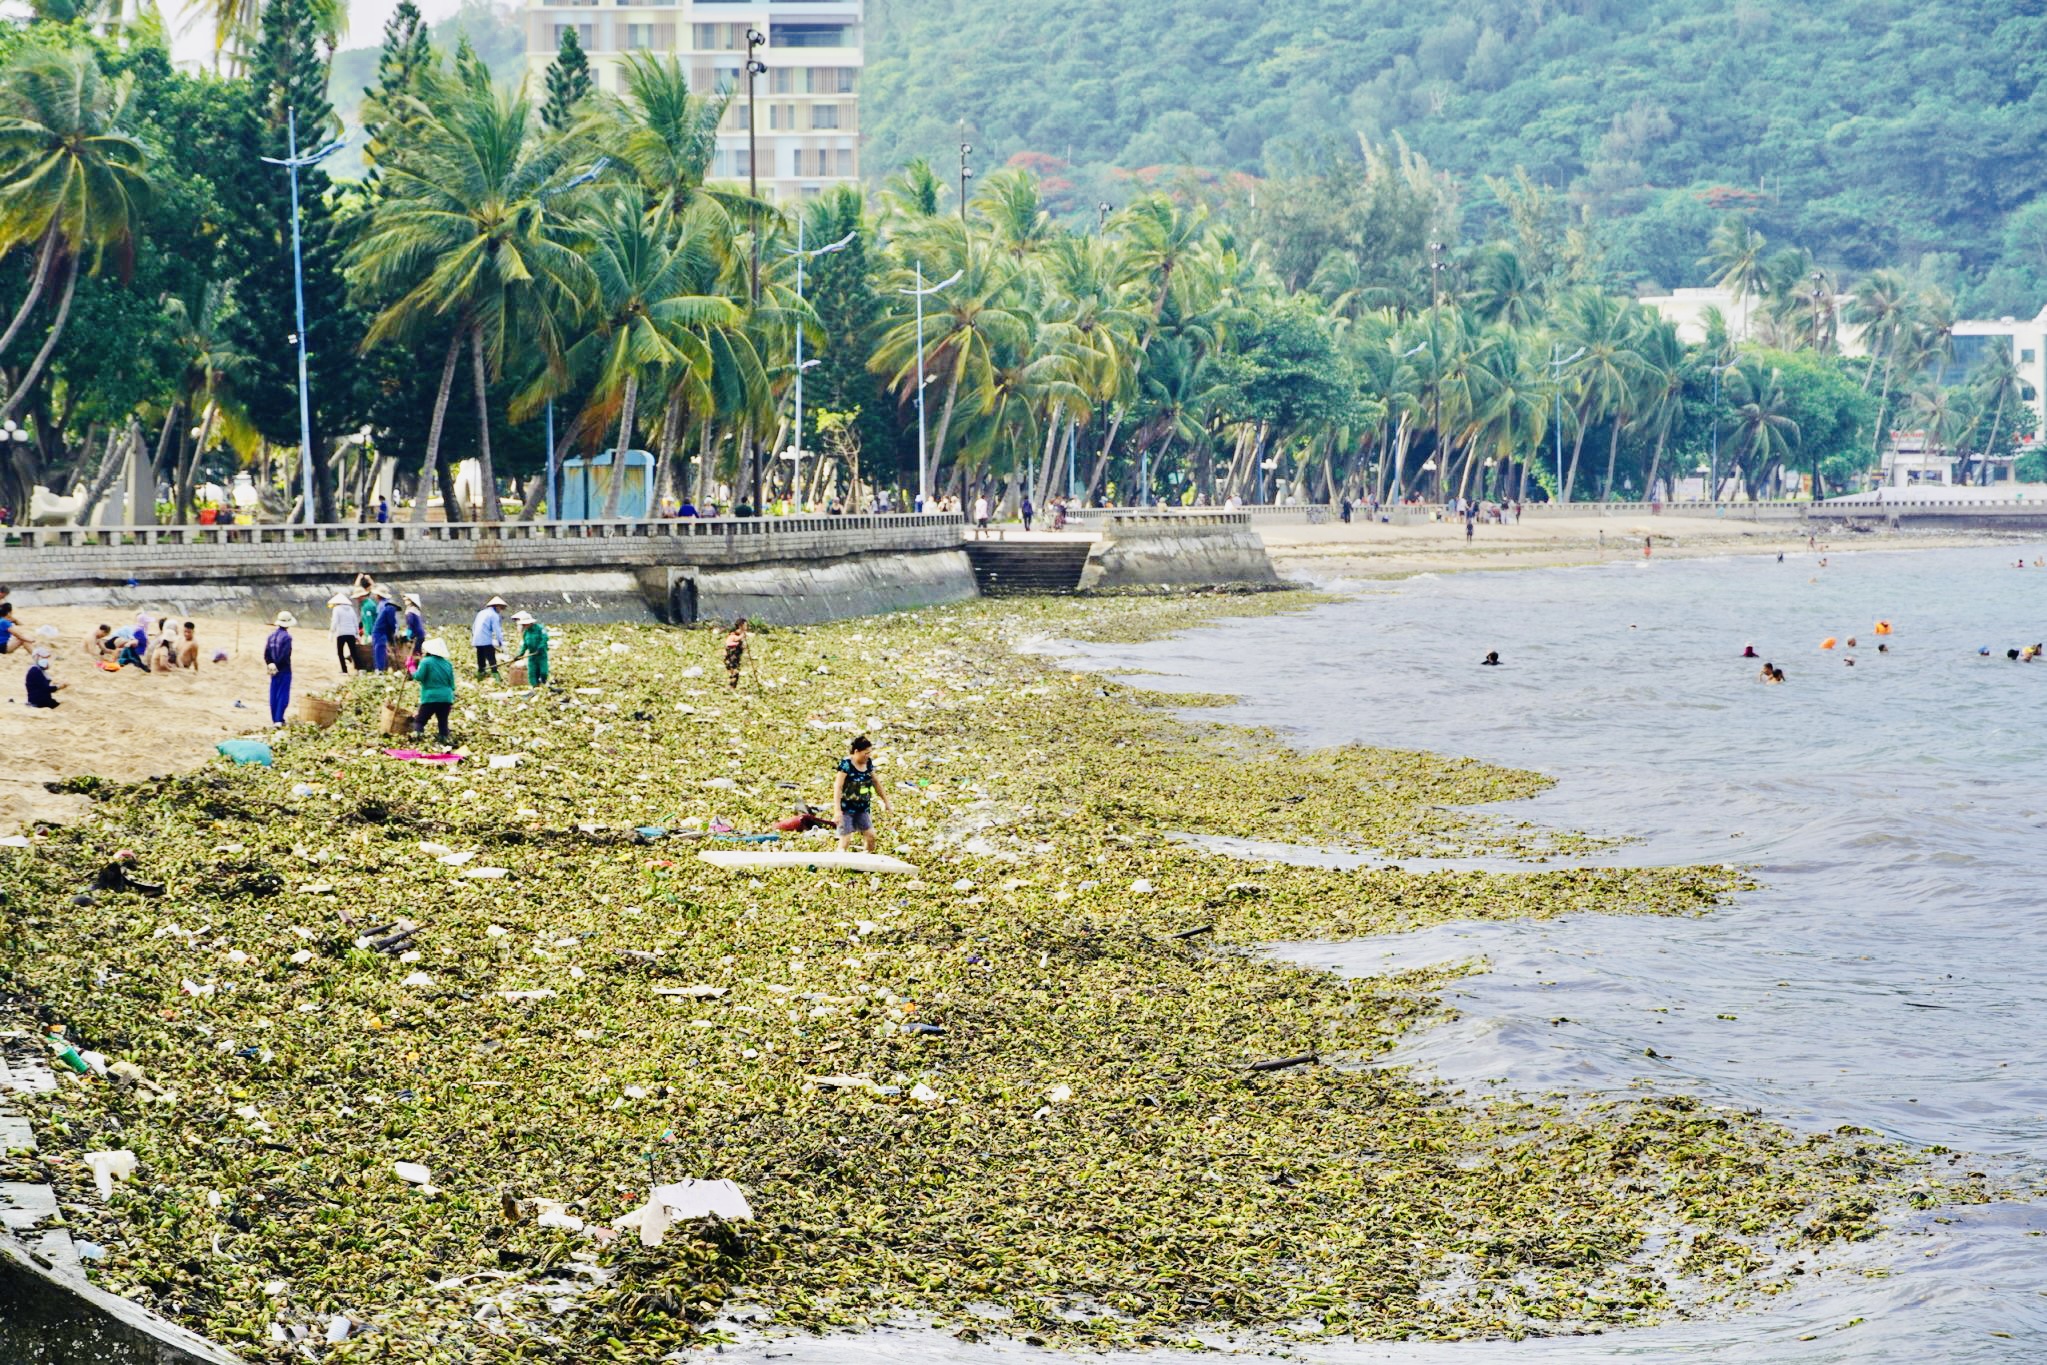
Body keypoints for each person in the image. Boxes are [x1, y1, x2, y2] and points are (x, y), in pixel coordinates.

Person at [832, 735, 891, 853]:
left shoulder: (868, 763)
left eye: (869, 753)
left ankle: (867, 858)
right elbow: (838, 787)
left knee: (871, 837)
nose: (868, 756)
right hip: (846, 808)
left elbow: (876, 782)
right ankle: (839, 863)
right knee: (845, 840)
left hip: (862, 808)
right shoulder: (846, 765)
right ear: (856, 751)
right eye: (865, 753)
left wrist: (886, 801)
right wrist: (837, 811)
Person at [411, 638, 457, 743]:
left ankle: (417, 739)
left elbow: (418, 676)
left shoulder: (426, 662)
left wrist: (411, 668)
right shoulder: (447, 664)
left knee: (420, 721)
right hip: (446, 698)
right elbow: (452, 685)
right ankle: (444, 740)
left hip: (430, 698)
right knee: (443, 722)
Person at [263, 611, 295, 726]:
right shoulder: (287, 637)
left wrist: (270, 663)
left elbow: (266, 653)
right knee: (283, 694)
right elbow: (285, 655)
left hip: (273, 669)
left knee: (273, 693)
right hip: (284, 669)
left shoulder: (271, 636)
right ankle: (279, 719)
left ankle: (274, 719)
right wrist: (277, 664)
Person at [508, 610, 549, 687]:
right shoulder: (526, 632)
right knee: (532, 673)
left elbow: (545, 638)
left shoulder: (540, 629)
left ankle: (543, 683)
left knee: (543, 671)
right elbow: (525, 645)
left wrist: (540, 647)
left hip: (541, 654)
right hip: (532, 655)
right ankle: (535, 687)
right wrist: (520, 654)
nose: (524, 625)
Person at [471, 594, 506, 677]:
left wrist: (474, 637)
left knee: (481, 660)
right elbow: (497, 630)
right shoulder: (494, 615)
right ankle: (496, 677)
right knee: (492, 661)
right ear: (497, 606)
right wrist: (500, 642)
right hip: (485, 640)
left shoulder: (481, 613)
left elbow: (474, 627)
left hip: (477, 640)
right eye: (500, 608)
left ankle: (480, 676)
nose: (500, 610)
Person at [327, 592, 359, 674]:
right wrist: (357, 633)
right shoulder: (351, 609)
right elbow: (355, 621)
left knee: (340, 652)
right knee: (353, 651)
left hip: (341, 633)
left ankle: (344, 670)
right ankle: (358, 668)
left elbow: (335, 621)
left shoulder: (337, 609)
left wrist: (331, 631)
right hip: (351, 633)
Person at [370, 586, 399, 672]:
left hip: (379, 631)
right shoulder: (387, 607)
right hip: (381, 631)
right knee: (380, 649)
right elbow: (391, 623)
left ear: (379, 596)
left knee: (378, 649)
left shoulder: (384, 606)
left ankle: (379, 668)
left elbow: (390, 622)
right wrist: (393, 633)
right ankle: (380, 669)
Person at [723, 617, 749, 689]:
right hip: (731, 656)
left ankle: (733, 686)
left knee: (736, 671)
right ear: (741, 626)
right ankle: (731, 686)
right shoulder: (734, 634)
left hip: (737, 656)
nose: (746, 627)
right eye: (745, 625)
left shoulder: (741, 635)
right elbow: (732, 640)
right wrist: (742, 636)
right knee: (734, 671)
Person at [401, 594, 426, 668]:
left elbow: (411, 624)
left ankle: (415, 670)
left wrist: (409, 635)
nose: (405, 601)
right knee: (418, 652)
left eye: (407, 600)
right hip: (420, 634)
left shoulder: (411, 611)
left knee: (415, 653)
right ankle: (419, 668)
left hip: (417, 635)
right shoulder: (414, 610)